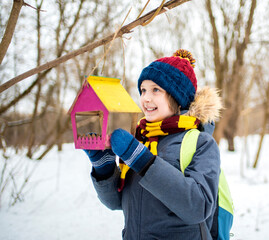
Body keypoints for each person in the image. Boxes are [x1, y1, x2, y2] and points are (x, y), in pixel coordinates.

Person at [84, 49, 223, 240]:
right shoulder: (142, 139)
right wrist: (104, 168)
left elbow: (198, 207)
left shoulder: (200, 142)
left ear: (177, 97)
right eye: (143, 90)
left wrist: (142, 160)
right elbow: (116, 203)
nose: (146, 98)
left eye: (156, 90)